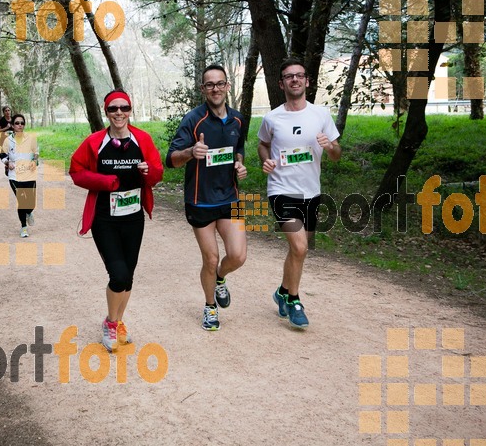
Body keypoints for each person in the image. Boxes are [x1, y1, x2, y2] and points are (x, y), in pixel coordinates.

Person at [69, 90, 163, 352]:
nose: (119, 113)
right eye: (113, 109)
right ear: (106, 112)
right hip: (104, 217)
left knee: (128, 277)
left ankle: (118, 322)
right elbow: (76, 171)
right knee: (118, 274)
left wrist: (149, 172)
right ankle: (110, 323)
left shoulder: (142, 139)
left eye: (124, 108)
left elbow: (157, 175)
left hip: (133, 217)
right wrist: (106, 182)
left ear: (130, 110)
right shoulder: (94, 142)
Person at [257, 58, 342, 329]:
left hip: (311, 192)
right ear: (281, 84)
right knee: (300, 246)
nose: (294, 80)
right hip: (281, 190)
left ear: (307, 81)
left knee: (299, 252)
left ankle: (282, 291)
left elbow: (337, 155)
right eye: (288, 76)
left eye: (299, 75)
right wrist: (266, 160)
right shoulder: (272, 118)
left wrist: (330, 146)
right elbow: (263, 144)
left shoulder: (321, 115)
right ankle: (294, 300)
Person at [165, 64, 248, 331]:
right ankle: (210, 306)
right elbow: (171, 160)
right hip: (200, 201)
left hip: (230, 199)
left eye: (220, 83)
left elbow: (239, 149)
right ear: (203, 89)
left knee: (238, 256)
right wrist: (191, 151)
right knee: (210, 259)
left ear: (227, 86)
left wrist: (239, 164)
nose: (215, 88)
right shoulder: (193, 120)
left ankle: (221, 278)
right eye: (209, 84)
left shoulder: (237, 119)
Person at [0, 114, 38, 238]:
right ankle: (23, 227)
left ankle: (29, 213)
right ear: (13, 125)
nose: (20, 125)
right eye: (17, 123)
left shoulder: (31, 138)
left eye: (22, 123)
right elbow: (2, 155)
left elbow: (36, 153)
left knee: (31, 203)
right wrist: (7, 162)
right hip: (14, 176)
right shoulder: (7, 140)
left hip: (29, 174)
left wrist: (34, 161)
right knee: (22, 201)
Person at [0, 106, 15, 176]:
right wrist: (6, 128)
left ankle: (11, 166)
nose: (7, 112)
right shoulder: (2, 120)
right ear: (3, 112)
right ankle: (7, 165)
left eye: (9, 110)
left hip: (13, 140)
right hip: (4, 140)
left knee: (12, 153)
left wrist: (14, 128)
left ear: (10, 111)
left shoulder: (13, 119)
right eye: (6, 111)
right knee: (5, 154)